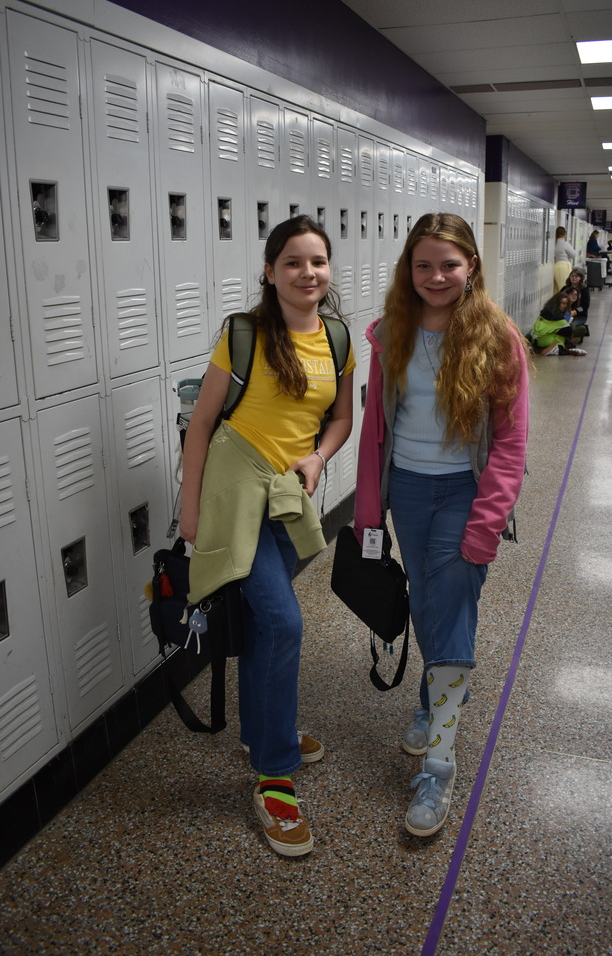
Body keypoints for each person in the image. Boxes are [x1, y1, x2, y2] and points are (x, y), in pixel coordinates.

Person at [179, 215, 355, 858]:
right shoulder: (243, 333)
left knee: (265, 625)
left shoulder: (337, 337)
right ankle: (274, 777)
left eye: (318, 262)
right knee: (283, 622)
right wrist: (190, 511)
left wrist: (319, 458)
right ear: (270, 270)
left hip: (286, 496)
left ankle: (264, 731)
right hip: (234, 496)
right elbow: (202, 424)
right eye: (293, 262)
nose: (308, 273)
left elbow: (342, 418)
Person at [354, 213, 529, 837]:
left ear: (471, 267)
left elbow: (510, 442)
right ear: (409, 268)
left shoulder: (497, 337)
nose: (435, 276)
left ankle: (440, 766)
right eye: (423, 265)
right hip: (407, 489)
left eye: (449, 265)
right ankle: (436, 701)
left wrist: (486, 524)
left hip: (465, 492)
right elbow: (376, 428)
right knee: (426, 607)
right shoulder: (390, 333)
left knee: (451, 609)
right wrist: (368, 514)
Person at [529, 290, 586, 355]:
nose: (565, 306)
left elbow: (584, 307)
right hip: (544, 341)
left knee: (562, 333)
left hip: (535, 339)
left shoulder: (544, 311)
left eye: (566, 304)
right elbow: (568, 332)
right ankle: (555, 349)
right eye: (563, 303)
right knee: (575, 331)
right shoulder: (559, 317)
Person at [564, 267, 590, 332]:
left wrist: (575, 312)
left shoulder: (584, 290)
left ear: (580, 278)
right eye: (572, 276)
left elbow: (585, 306)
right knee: (561, 325)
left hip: (579, 316)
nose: (574, 278)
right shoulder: (565, 288)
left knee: (570, 326)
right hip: (566, 314)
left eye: (576, 276)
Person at [554, 227, 576, 292]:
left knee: (556, 287)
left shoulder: (553, 243)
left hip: (555, 265)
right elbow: (573, 254)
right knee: (565, 285)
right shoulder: (565, 244)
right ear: (564, 234)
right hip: (564, 266)